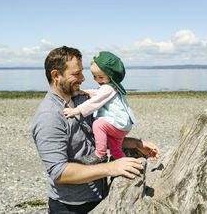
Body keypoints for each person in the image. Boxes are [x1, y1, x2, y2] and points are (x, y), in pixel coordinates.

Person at [31, 46, 160, 214]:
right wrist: (111, 168)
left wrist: (136, 143)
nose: (83, 78)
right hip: (70, 207)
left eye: (82, 72)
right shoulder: (48, 117)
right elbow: (59, 172)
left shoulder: (79, 101)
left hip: (98, 198)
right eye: (76, 74)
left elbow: (97, 140)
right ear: (56, 75)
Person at [63, 51, 137, 165]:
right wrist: (85, 92)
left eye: (101, 77)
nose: (97, 80)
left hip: (118, 122)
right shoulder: (109, 86)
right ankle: (128, 164)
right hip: (121, 124)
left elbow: (95, 102)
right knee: (116, 151)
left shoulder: (108, 88)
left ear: (111, 76)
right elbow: (98, 93)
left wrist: (75, 111)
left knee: (98, 124)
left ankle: (100, 154)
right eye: (94, 76)